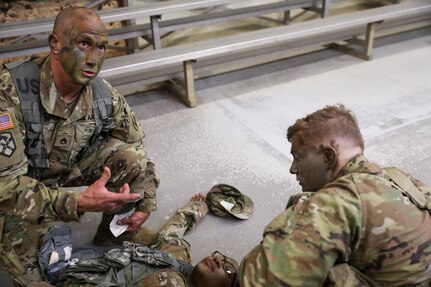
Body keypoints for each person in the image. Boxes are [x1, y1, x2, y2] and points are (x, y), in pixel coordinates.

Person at [0, 6, 159, 286]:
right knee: (43, 276)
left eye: (101, 48)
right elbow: (6, 188)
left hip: (63, 168)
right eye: (84, 44)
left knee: (131, 158)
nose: (93, 58)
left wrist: (145, 201)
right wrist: (77, 202)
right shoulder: (10, 93)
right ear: (56, 44)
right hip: (15, 187)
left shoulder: (102, 93)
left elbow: (136, 143)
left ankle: (115, 234)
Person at [238, 104, 431, 286]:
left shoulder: (337, 200)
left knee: (327, 268)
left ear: (328, 158)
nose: (293, 168)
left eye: (298, 157)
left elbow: (261, 281)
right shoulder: (398, 178)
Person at [46, 193, 238, 287]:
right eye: (220, 257)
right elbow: (174, 229)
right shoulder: (179, 256)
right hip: (88, 271)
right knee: (131, 192)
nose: (219, 261)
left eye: (228, 270)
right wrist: (198, 207)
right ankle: (108, 234)